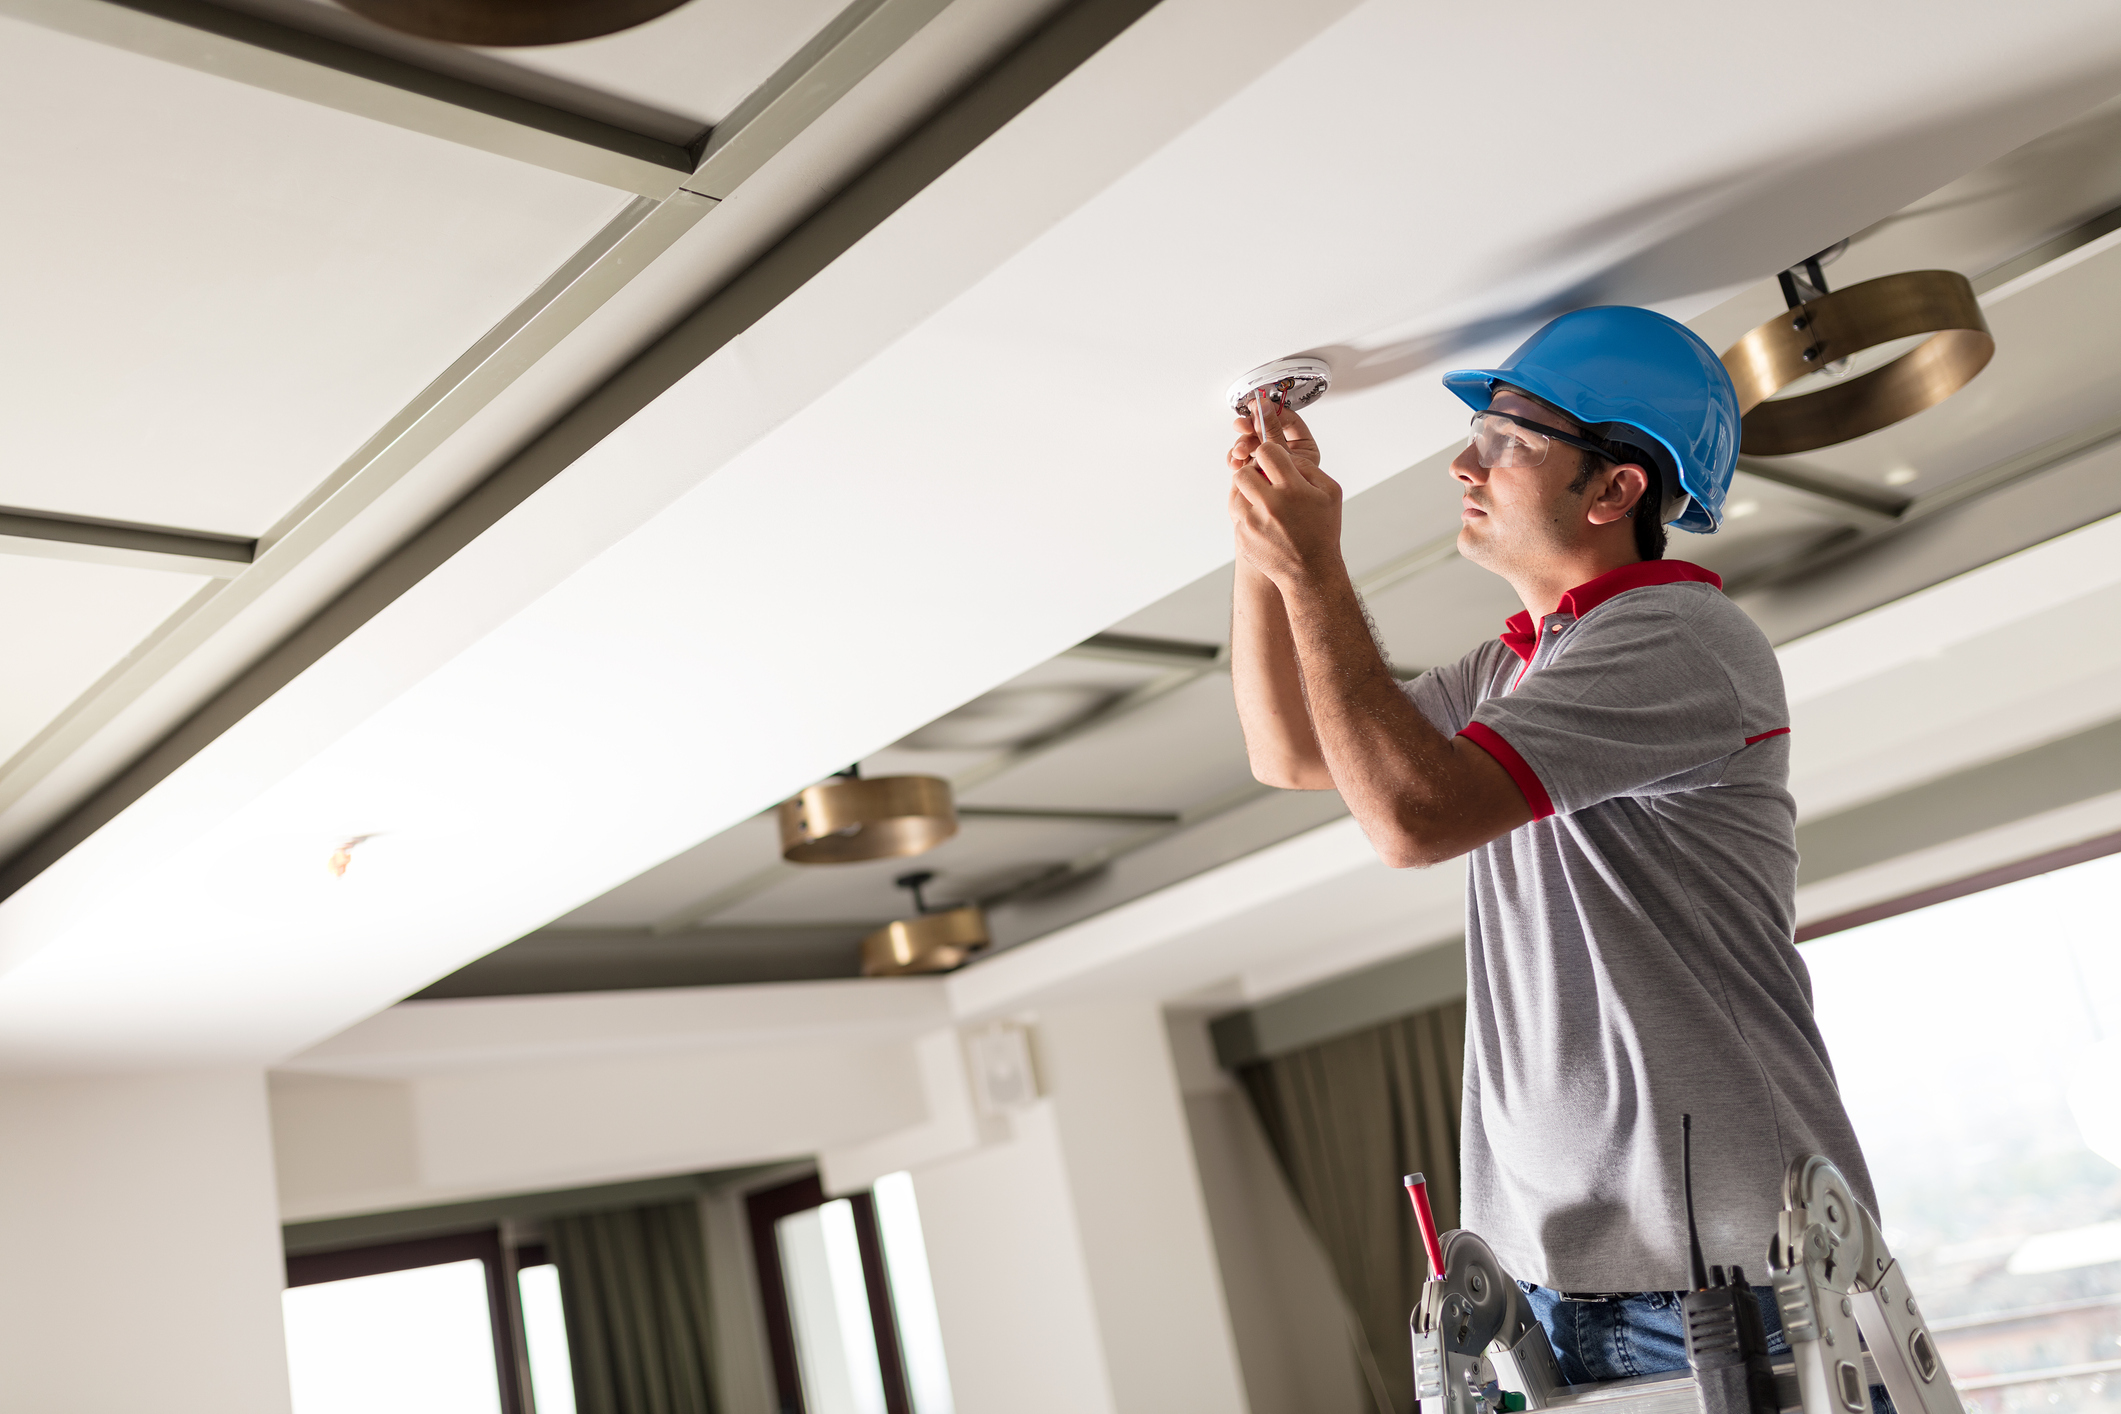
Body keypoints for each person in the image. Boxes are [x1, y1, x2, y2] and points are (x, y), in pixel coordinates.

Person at [1226, 306, 1888, 1397]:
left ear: (1616, 487)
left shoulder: (1679, 638)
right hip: (1555, 1288)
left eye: (1508, 439)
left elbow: (1413, 819)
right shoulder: (1514, 668)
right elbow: (1292, 747)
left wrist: (1313, 571)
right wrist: (1264, 550)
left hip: (1718, 1283)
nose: (1464, 462)